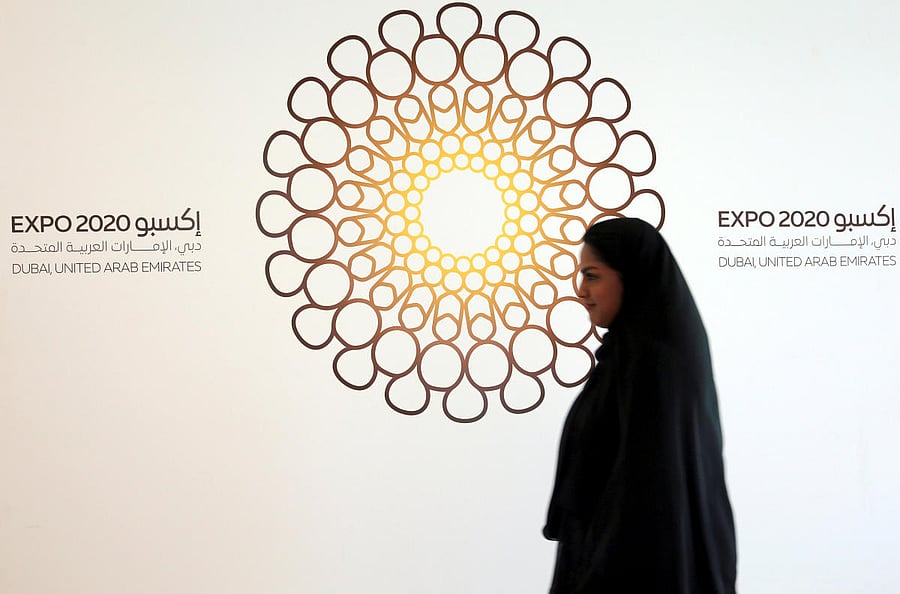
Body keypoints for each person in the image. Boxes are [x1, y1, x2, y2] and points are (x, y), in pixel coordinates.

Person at [543, 217, 737, 593]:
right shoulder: (634, 357)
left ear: (630, 277)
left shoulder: (652, 365)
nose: (580, 290)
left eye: (592, 275)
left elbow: (646, 499)